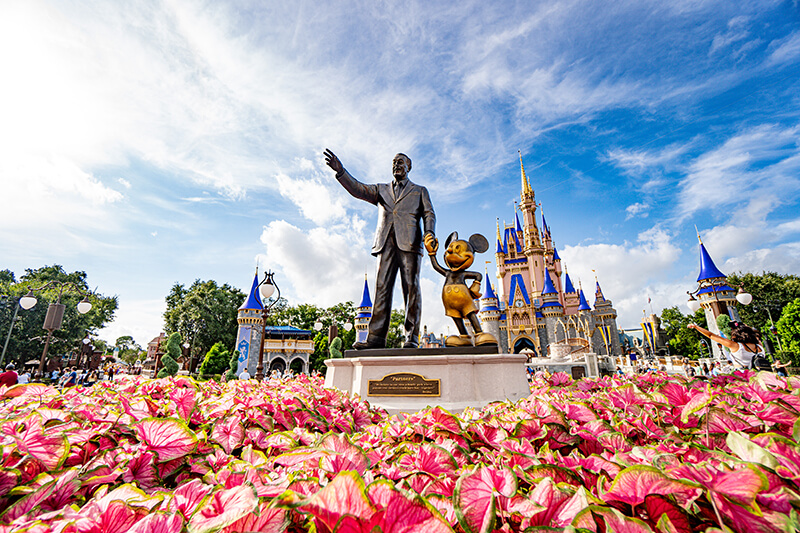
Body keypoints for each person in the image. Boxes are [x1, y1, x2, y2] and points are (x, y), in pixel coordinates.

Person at [325, 149, 436, 349]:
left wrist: (429, 233)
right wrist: (341, 172)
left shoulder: (420, 190)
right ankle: (375, 339)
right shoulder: (381, 189)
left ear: (409, 167)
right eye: (394, 162)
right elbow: (358, 189)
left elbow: (429, 214)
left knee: (411, 288)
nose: (396, 166)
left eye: (400, 162)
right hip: (385, 243)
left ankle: (411, 337)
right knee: (382, 288)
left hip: (410, 242)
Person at [688, 322, 768, 370]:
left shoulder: (736, 346)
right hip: (761, 374)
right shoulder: (759, 345)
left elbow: (711, 335)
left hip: (743, 375)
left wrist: (696, 327)